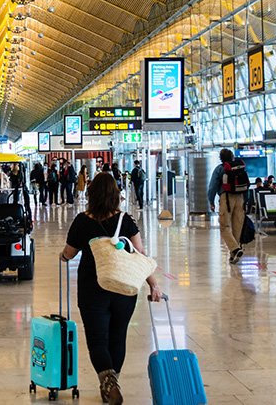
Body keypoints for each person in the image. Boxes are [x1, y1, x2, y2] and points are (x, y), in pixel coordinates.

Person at [60, 173, 162, 405]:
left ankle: (109, 383)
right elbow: (140, 255)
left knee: (97, 339)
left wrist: (63, 257)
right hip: (124, 289)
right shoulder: (126, 220)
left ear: (91, 194)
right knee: (118, 337)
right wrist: (154, 285)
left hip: (92, 288)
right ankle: (113, 382)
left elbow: (69, 253)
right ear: (116, 195)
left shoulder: (82, 221)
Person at [207, 148, 247, 264]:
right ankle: (234, 253)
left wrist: (211, 201)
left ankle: (235, 249)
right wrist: (246, 200)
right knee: (237, 226)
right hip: (240, 198)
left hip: (226, 199)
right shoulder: (240, 167)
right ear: (232, 157)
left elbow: (212, 186)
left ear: (221, 158)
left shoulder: (220, 169)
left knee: (224, 226)